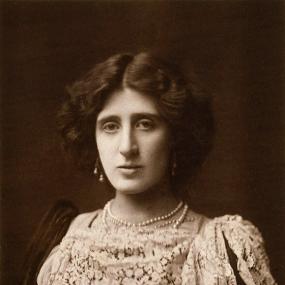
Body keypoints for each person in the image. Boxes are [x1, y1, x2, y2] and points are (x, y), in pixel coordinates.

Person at [34, 52, 276, 284]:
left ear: (175, 136)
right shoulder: (66, 240)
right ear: (92, 138)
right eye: (110, 126)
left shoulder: (222, 246)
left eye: (145, 124)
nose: (127, 147)